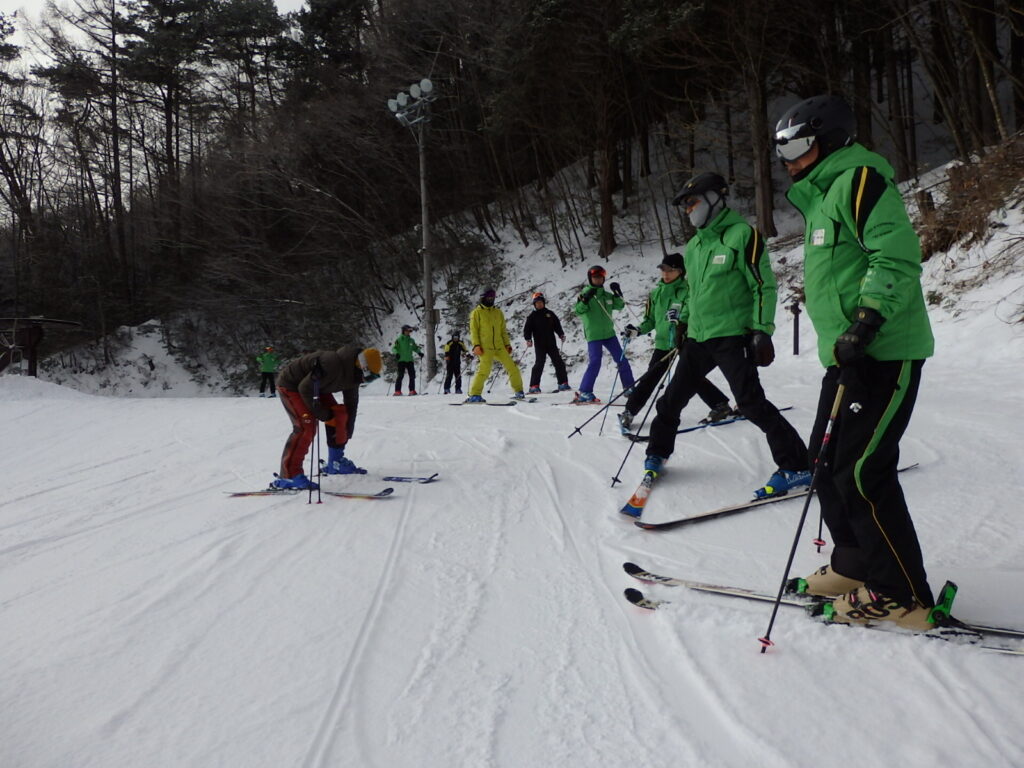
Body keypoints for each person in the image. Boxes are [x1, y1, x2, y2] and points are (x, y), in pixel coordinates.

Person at [773, 94, 936, 629]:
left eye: (796, 146)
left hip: (882, 351)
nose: (788, 159)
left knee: (864, 471)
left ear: (828, 138)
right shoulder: (822, 196)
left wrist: (867, 320)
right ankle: (855, 563)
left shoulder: (861, 180)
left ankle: (904, 594)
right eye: (782, 150)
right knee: (826, 466)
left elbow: (895, 254)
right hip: (846, 356)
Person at [644, 171, 810, 500]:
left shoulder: (741, 235)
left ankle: (797, 465)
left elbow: (762, 285)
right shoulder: (693, 247)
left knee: (751, 404)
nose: (689, 210)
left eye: (692, 202)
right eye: (685, 206)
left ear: (714, 199)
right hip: (699, 339)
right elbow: (694, 293)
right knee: (670, 401)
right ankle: (657, 454)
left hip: (732, 337)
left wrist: (762, 330)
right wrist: (684, 326)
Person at [619, 253, 736, 432]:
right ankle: (629, 411)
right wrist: (638, 330)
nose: (665, 273)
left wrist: (681, 322)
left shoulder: (689, 290)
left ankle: (720, 404)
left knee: (689, 377)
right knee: (650, 378)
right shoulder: (655, 293)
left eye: (671, 270)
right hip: (663, 343)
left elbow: (694, 313)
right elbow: (649, 320)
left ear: (680, 272)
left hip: (685, 342)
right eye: (663, 269)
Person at [272, 346, 383, 489]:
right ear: (362, 367)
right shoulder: (331, 365)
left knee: (339, 415)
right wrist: (322, 414)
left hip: (317, 387)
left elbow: (351, 404)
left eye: (372, 379)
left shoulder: (354, 376)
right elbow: (305, 389)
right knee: (307, 427)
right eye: (369, 377)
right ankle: (289, 476)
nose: (366, 381)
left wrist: (347, 429)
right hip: (292, 386)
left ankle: (335, 463)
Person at [573, 265, 634, 402]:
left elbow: (619, 305)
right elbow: (578, 311)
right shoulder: (585, 294)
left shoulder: (606, 295)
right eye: (595, 277)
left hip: (609, 334)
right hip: (594, 335)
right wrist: (585, 300)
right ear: (590, 278)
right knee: (595, 362)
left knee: (622, 359)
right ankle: (585, 392)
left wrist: (618, 293)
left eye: (600, 277)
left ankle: (629, 387)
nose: (598, 280)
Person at [465, 288, 525, 403]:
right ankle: (474, 394)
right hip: (485, 347)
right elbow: (474, 331)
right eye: (488, 298)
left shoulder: (498, 312)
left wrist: (507, 344)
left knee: (512, 367)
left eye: (492, 298)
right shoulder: (476, 313)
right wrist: (476, 345)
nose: (491, 300)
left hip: (499, 346)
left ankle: (519, 391)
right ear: (483, 298)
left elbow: (503, 331)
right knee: (484, 370)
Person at [523, 292, 570, 394]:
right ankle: (534, 386)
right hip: (540, 344)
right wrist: (528, 339)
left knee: (558, 362)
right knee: (539, 363)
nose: (539, 304)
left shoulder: (550, 314)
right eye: (537, 303)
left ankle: (563, 383)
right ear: (534, 304)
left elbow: (557, 325)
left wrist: (560, 334)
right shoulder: (532, 316)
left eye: (541, 302)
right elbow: (527, 329)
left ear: (543, 303)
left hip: (551, 343)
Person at [391, 325, 423, 395]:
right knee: (400, 375)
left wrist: (419, 352)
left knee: (412, 375)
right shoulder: (399, 340)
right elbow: (394, 348)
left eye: (410, 331)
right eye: (408, 331)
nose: (409, 332)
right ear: (404, 331)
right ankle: (397, 391)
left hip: (409, 360)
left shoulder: (411, 340)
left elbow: (415, 348)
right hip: (401, 360)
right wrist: (396, 353)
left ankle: (412, 390)